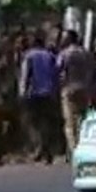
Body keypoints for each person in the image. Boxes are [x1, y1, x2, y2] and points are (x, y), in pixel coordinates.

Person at [20, 34, 61, 163]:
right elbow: (56, 74)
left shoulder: (29, 55)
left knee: (32, 122)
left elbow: (26, 74)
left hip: (33, 92)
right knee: (46, 122)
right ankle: (46, 151)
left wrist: (22, 92)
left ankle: (39, 148)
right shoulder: (50, 56)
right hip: (48, 92)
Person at [58, 30, 96, 155]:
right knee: (83, 119)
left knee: (70, 121)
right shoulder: (86, 53)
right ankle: (85, 144)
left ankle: (74, 149)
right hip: (85, 88)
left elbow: (58, 70)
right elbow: (94, 70)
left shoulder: (64, 54)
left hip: (69, 88)